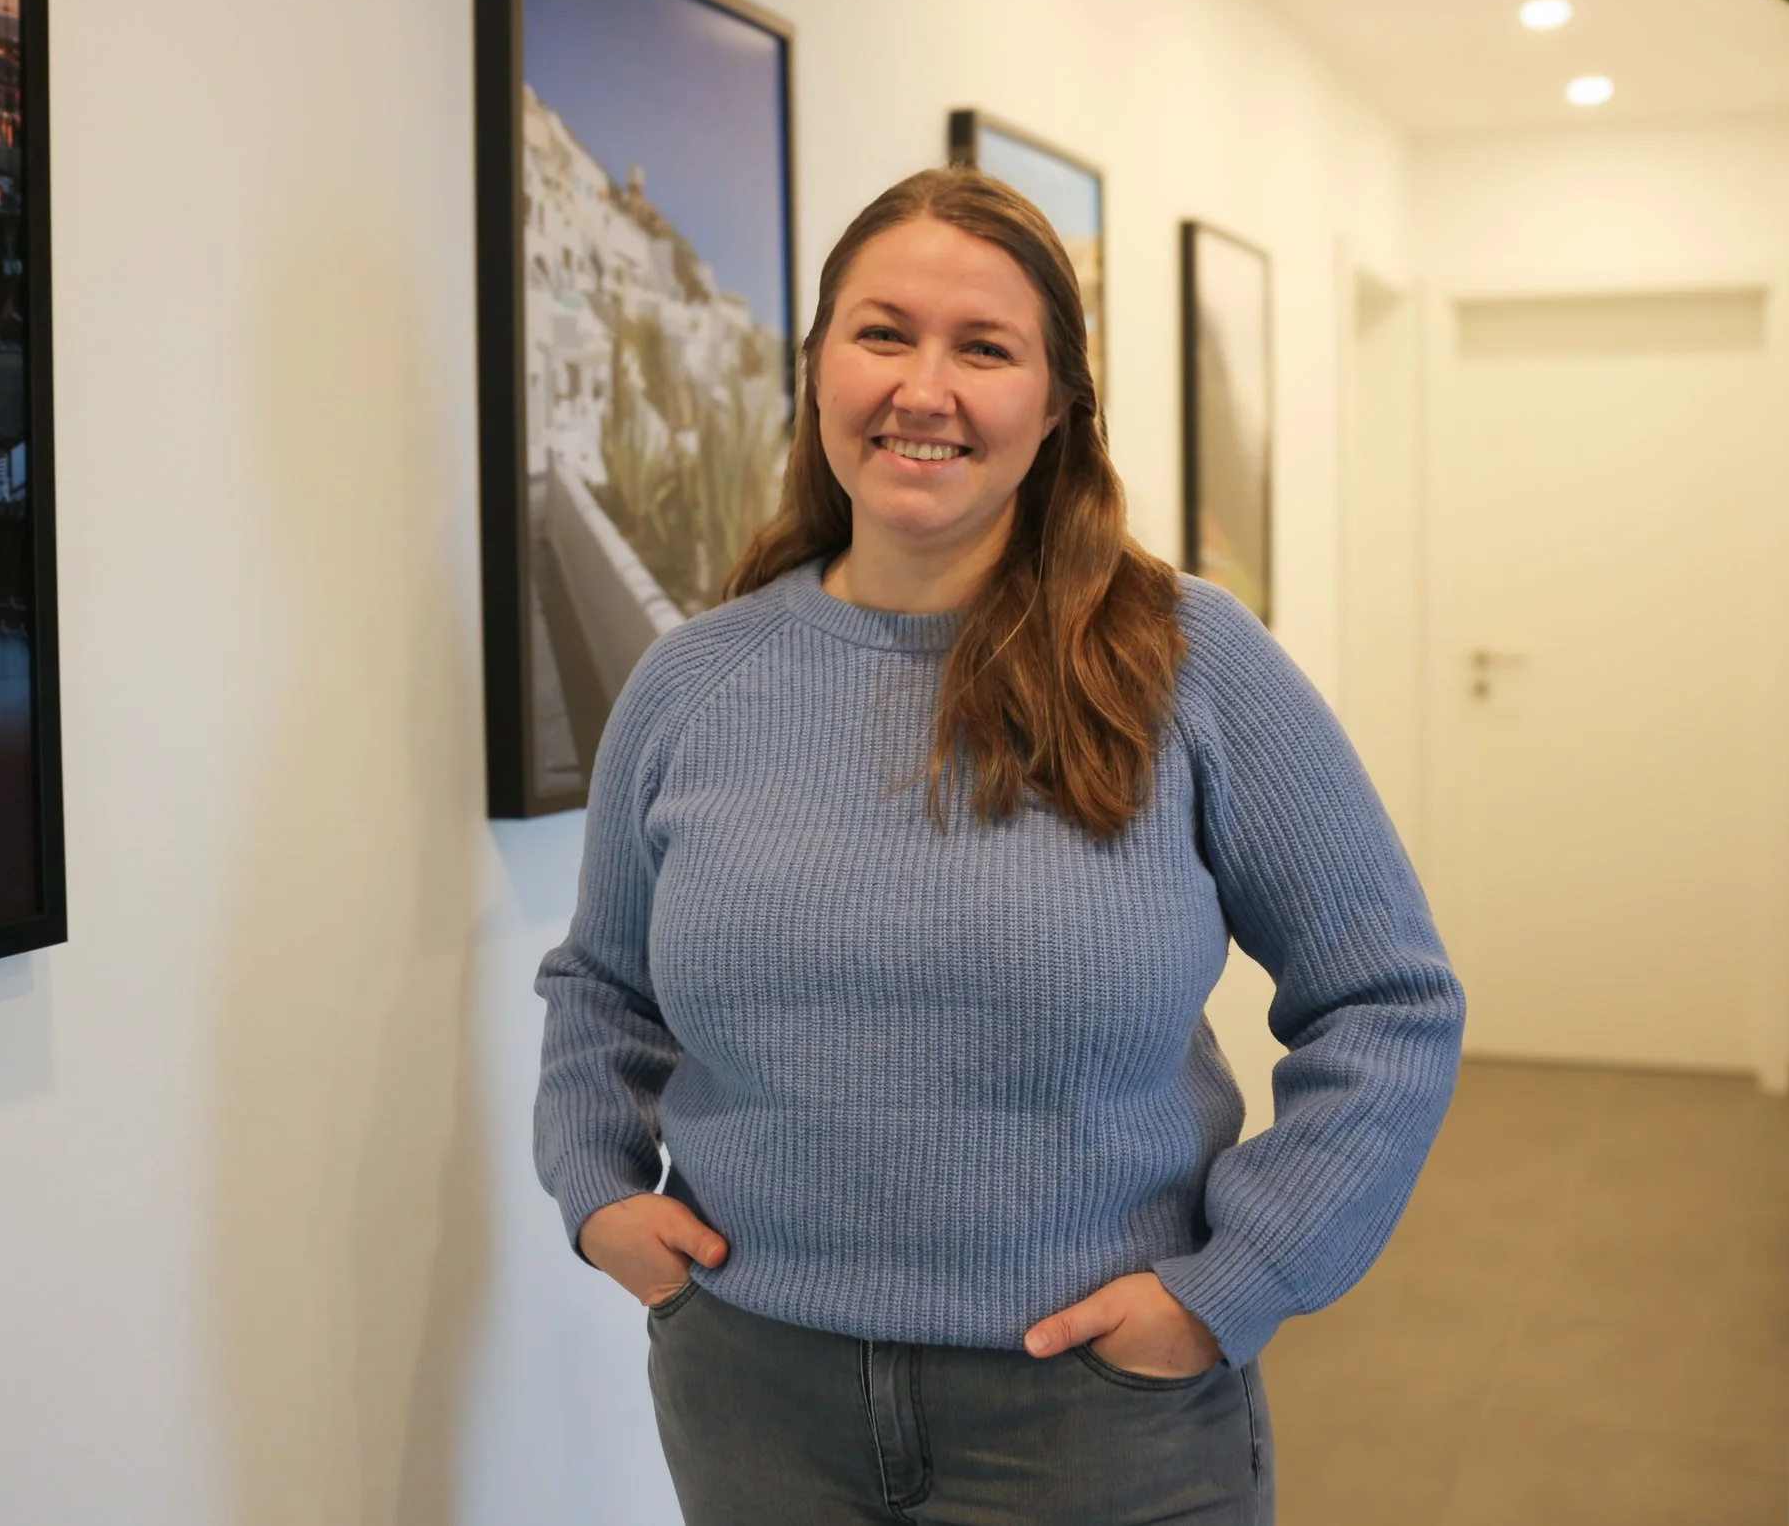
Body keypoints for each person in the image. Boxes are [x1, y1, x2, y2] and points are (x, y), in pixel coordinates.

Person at [533, 167, 1464, 1525]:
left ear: (1059, 404)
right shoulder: (693, 684)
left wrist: (1233, 1285)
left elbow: (1389, 999)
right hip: (756, 1404)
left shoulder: (1188, 663)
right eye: (883, 333)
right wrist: (598, 1189)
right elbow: (603, 987)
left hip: (1098, 1415)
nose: (927, 387)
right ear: (819, 369)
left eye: (985, 348)